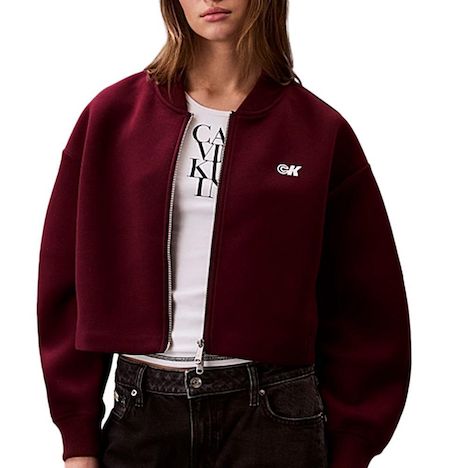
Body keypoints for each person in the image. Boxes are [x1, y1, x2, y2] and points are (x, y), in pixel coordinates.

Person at [36, 1, 412, 467]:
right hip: (143, 412)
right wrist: (77, 436)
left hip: (274, 413)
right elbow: (65, 278)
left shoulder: (319, 131)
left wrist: (354, 444)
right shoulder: (111, 118)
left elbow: (367, 300)